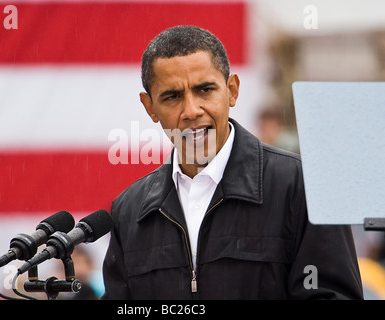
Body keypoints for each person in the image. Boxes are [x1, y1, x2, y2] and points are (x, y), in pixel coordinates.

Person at [102, 25, 363, 299]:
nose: (191, 110)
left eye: (204, 90)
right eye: (172, 96)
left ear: (232, 91)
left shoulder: (305, 185)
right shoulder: (128, 210)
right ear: (150, 107)